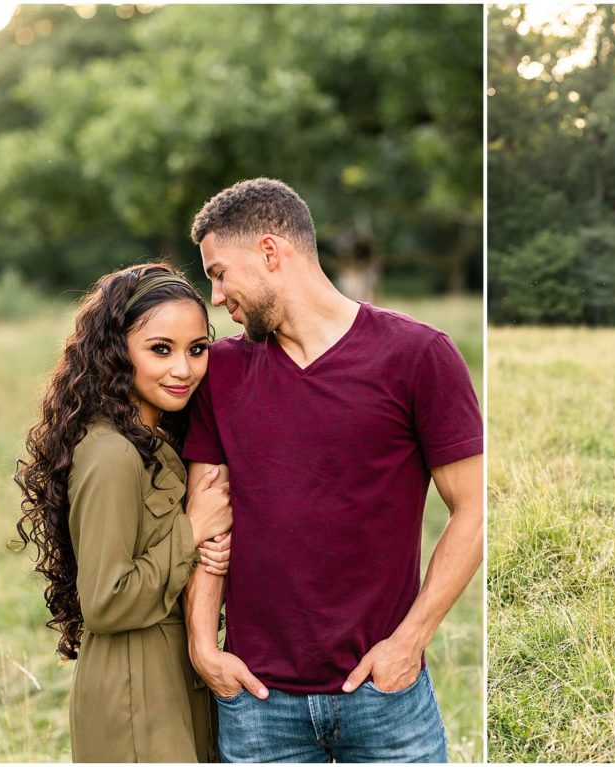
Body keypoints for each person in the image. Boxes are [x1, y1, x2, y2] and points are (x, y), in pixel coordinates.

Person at [180, 177, 483, 762]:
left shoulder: (417, 354)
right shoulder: (219, 370)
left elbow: (472, 509)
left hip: (385, 695)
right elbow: (209, 516)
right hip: (257, 702)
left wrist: (410, 642)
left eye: (219, 273)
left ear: (270, 253)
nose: (215, 298)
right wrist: (202, 647)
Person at [14, 263, 235, 762]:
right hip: (134, 691)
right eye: (161, 349)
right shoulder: (111, 453)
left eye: (197, 349)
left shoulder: (155, 441)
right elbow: (106, 602)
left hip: (173, 676)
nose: (184, 369)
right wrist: (194, 529)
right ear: (116, 353)